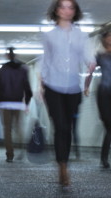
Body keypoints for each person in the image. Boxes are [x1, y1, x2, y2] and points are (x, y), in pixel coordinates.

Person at [40, 0, 96, 187]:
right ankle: (62, 167)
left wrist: (91, 63)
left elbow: (87, 56)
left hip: (73, 88)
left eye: (70, 7)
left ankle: (64, 162)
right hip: (52, 87)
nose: (66, 10)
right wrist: (42, 86)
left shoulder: (82, 36)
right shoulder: (49, 36)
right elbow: (46, 61)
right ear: (56, 10)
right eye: (62, 6)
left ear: (75, 11)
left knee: (69, 128)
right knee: (61, 127)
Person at [0, 47, 33, 162]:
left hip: (4, 103)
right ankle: (22, 148)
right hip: (18, 103)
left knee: (7, 129)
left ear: (7, 56)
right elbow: (27, 86)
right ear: (16, 55)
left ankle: (9, 154)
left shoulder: (2, 69)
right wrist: (27, 103)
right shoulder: (23, 68)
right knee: (18, 127)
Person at [85, 30, 111, 168]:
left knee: (110, 128)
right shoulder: (100, 56)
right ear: (104, 40)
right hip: (104, 94)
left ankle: (104, 158)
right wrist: (86, 86)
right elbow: (90, 71)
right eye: (108, 37)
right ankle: (104, 157)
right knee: (108, 125)